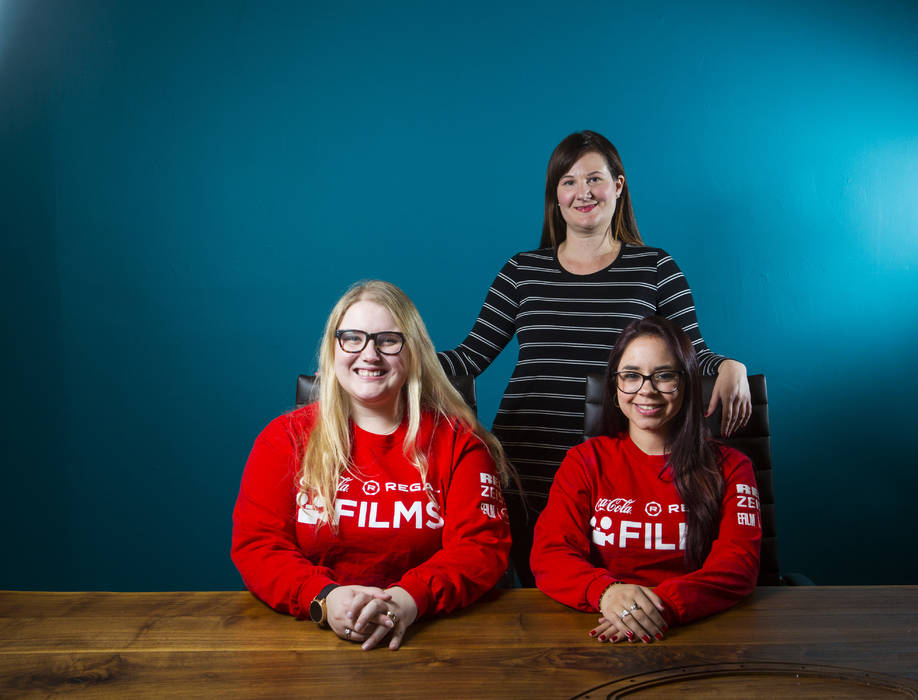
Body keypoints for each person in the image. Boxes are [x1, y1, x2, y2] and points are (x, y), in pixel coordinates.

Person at [438, 130, 751, 585]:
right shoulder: (521, 271)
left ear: (619, 186)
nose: (582, 192)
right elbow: (470, 357)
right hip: (526, 464)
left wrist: (729, 365)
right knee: (531, 600)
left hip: (614, 472)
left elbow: (691, 355)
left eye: (594, 179)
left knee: (605, 596)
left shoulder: (655, 269)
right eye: (568, 181)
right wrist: (394, 355)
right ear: (555, 196)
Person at [232, 280, 512, 650]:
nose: (369, 354)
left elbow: (481, 547)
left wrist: (407, 600)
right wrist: (324, 598)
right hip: (307, 638)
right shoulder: (284, 439)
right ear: (333, 350)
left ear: (414, 353)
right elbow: (258, 546)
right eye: (353, 338)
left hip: (434, 637)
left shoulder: (459, 441)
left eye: (387, 340)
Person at [530, 316, 760, 642]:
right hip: (597, 625)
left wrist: (656, 608)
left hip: (700, 630)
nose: (646, 390)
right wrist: (607, 592)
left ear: (687, 382)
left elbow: (737, 567)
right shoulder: (584, 461)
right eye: (631, 376)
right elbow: (549, 554)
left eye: (664, 376)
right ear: (615, 385)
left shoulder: (732, 467)